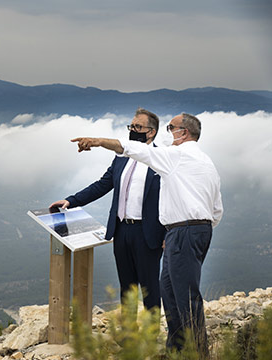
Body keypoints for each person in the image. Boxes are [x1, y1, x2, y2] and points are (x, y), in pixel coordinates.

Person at [71, 113, 223, 354]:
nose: (168, 133)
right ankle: (175, 349)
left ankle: (196, 352)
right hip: (190, 230)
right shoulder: (206, 161)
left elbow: (135, 149)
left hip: (180, 231)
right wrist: (198, 229)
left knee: (183, 296)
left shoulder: (175, 156)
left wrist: (98, 141)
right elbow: (216, 208)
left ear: (183, 133)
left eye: (171, 128)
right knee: (170, 291)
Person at [50, 108, 165, 311]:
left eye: (138, 127)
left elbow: (170, 198)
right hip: (121, 230)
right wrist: (71, 201)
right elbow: (102, 185)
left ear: (152, 132)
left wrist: (168, 232)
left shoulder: (160, 158)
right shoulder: (121, 157)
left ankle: (151, 335)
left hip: (148, 232)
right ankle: (128, 336)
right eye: (131, 126)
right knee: (126, 286)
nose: (133, 130)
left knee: (150, 287)